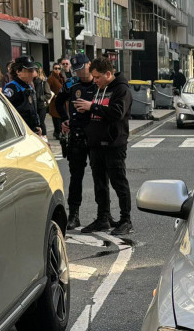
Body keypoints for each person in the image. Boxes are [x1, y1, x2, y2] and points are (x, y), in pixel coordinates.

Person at [74, 58, 133, 235]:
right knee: (100, 184)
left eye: (98, 77)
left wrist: (92, 106)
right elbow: (95, 111)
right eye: (93, 77)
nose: (95, 80)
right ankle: (103, 218)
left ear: (108, 74)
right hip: (95, 144)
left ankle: (126, 220)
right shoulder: (99, 89)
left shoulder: (121, 89)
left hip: (114, 143)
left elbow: (116, 113)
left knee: (118, 182)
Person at [55, 54, 101, 230]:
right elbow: (58, 103)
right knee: (76, 177)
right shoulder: (71, 84)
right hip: (77, 134)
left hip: (95, 134)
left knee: (100, 176)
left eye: (82, 68)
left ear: (89, 64)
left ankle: (103, 214)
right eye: (76, 70)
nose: (80, 72)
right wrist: (65, 120)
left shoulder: (98, 84)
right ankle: (74, 214)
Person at [3, 56, 42, 135]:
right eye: (29, 71)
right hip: (20, 132)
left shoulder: (28, 86)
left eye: (33, 70)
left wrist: (36, 126)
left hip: (31, 131)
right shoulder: (11, 88)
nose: (33, 74)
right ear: (18, 71)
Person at [48, 63, 67, 154]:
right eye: (55, 68)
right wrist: (53, 95)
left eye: (59, 68)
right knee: (56, 117)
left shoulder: (62, 77)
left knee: (61, 116)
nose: (57, 70)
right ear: (53, 69)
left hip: (63, 101)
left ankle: (58, 132)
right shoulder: (51, 78)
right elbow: (48, 89)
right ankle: (57, 132)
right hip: (55, 101)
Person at [33, 63, 53, 138]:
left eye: (34, 71)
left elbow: (48, 94)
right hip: (33, 105)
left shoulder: (43, 82)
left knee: (41, 122)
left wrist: (40, 97)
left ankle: (44, 136)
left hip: (41, 105)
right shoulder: (30, 82)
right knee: (35, 123)